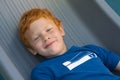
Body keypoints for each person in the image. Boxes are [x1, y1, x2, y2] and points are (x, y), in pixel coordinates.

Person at [19, 8, 120, 80]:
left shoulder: (90, 50)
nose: (46, 37)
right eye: (37, 38)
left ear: (61, 29)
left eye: (49, 30)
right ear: (32, 49)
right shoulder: (43, 71)